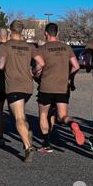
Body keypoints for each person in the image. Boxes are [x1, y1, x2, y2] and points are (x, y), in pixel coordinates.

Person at [0, 21, 45, 162]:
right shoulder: (30, 47)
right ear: (22, 31)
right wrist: (34, 72)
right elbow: (41, 63)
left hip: (14, 85)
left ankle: (28, 147)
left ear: (10, 30)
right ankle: (27, 133)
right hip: (27, 86)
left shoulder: (5, 46)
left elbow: (0, 65)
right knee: (19, 115)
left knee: (18, 117)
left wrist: (3, 62)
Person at [37, 23, 85, 153]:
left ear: (46, 33)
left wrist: (35, 72)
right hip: (62, 87)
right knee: (62, 116)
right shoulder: (66, 48)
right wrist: (67, 76)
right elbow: (76, 66)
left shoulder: (42, 49)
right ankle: (72, 124)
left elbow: (37, 67)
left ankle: (47, 144)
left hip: (46, 87)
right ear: (57, 33)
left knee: (43, 114)